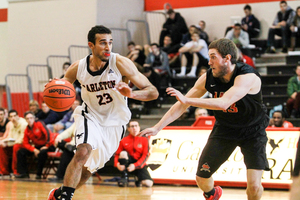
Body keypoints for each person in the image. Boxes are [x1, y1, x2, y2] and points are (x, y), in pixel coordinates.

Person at [139, 38, 270, 200]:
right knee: (201, 178)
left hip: (253, 130)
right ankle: (212, 194)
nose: (209, 62)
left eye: (213, 57)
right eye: (209, 57)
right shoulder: (208, 78)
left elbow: (223, 103)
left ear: (227, 58)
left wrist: (188, 100)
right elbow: (181, 105)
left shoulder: (247, 76)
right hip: (225, 129)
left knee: (255, 186)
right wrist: (158, 127)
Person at [47, 25, 158, 200]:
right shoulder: (78, 67)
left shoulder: (120, 63)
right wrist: (55, 87)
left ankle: (61, 192)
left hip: (115, 124)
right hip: (89, 115)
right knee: (82, 152)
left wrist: (133, 93)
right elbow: (62, 87)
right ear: (91, 45)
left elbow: (153, 92)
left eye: (110, 42)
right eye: (103, 43)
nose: (108, 47)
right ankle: (65, 198)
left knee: (88, 170)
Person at [16, 111, 57, 179]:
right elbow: (25, 143)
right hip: (37, 147)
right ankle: (23, 173)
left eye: (31, 118)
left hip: (49, 144)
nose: (29, 120)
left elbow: (48, 134)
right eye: (27, 118)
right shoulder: (27, 129)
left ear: (34, 118)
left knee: (42, 153)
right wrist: (34, 150)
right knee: (20, 152)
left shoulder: (40, 124)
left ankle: (39, 174)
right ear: (25, 120)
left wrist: (46, 146)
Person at [114, 120, 153, 187]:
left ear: (139, 128)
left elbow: (145, 155)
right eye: (132, 126)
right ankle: (124, 177)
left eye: (136, 126)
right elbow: (117, 154)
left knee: (148, 183)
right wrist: (117, 164)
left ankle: (139, 179)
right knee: (123, 153)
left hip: (139, 164)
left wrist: (135, 165)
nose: (134, 128)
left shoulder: (144, 140)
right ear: (128, 129)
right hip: (127, 164)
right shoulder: (124, 140)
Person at [0, 109, 27, 176]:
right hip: (14, 143)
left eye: (14, 116)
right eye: (11, 117)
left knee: (16, 147)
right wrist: (3, 142)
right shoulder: (10, 124)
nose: (13, 118)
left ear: (18, 116)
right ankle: (4, 171)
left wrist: (8, 143)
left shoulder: (23, 124)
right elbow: (9, 137)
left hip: (24, 144)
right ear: (9, 118)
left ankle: (16, 171)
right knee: (1, 147)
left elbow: (21, 139)